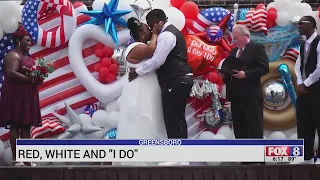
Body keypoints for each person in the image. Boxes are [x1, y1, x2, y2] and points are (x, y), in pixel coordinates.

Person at [128, 9, 194, 141]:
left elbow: (157, 60)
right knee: (176, 118)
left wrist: (138, 72)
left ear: (156, 22)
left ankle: (178, 157)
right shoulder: (168, 33)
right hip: (178, 79)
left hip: (175, 79)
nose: (151, 30)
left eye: (150, 25)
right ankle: (181, 157)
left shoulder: (166, 35)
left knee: (173, 119)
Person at [115, 17, 167, 166]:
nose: (150, 30)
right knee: (140, 121)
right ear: (141, 33)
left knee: (151, 122)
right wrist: (156, 33)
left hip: (148, 89)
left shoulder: (140, 44)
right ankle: (138, 161)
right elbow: (151, 50)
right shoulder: (136, 47)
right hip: (139, 92)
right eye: (147, 29)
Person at [0, 27, 42, 166]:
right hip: (15, 96)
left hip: (27, 96)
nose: (30, 43)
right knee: (15, 125)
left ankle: (26, 160)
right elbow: (11, 73)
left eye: (30, 41)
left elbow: (30, 73)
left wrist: (39, 76)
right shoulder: (13, 55)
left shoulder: (27, 58)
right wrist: (30, 80)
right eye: (27, 40)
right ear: (18, 40)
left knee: (26, 127)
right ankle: (16, 159)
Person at [221, 24, 269, 145]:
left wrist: (246, 74)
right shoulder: (233, 51)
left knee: (253, 126)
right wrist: (224, 74)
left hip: (251, 95)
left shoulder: (256, 48)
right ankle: (245, 158)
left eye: (237, 38)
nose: (235, 41)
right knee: (239, 127)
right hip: (236, 96)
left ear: (246, 36)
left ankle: (256, 159)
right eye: (234, 38)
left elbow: (264, 68)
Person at [292, 16, 320, 164]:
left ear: (312, 26)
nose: (298, 26)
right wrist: (299, 83)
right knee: (303, 124)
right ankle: (305, 157)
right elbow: (298, 66)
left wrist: (306, 83)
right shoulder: (303, 45)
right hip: (304, 92)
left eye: (301, 24)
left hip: (317, 91)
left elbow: (319, 68)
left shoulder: (319, 42)